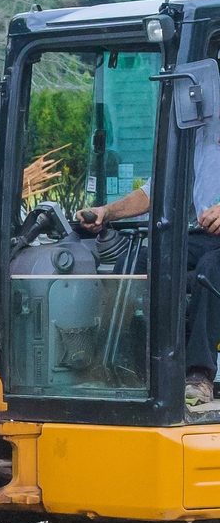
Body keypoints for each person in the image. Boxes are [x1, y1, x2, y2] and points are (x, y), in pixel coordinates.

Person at [78, 141, 220, 408]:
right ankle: (122, 365)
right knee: (136, 261)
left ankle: (199, 374)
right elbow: (155, 192)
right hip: (204, 235)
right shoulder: (197, 134)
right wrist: (106, 212)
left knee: (211, 268)